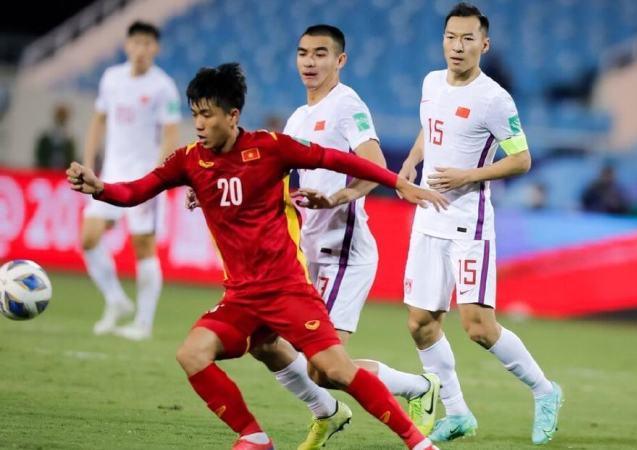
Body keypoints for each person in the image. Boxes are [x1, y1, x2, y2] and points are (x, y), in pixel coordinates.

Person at [67, 63, 447, 450]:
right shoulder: (189, 161)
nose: (198, 124)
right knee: (192, 354)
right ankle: (254, 437)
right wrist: (100, 188)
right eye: (195, 114)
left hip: (287, 291)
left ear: (232, 115)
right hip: (241, 298)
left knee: (333, 369)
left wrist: (398, 182)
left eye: (207, 114)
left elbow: (336, 160)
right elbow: (136, 191)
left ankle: (419, 443)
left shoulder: (270, 148)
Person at [398, 3, 563, 445]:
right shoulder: (431, 82)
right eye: (451, 37)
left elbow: (521, 159)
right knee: (420, 322)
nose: (457, 46)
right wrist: (412, 160)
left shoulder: (494, 99)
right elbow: (430, 126)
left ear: (484, 45)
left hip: (468, 225)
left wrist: (467, 175)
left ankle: (545, 390)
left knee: (478, 327)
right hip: (427, 218)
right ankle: (457, 413)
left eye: (467, 39)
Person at [80, 21, 181, 340]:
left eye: (147, 43)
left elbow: (171, 133)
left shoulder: (163, 87)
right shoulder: (111, 78)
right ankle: (116, 300)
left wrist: (157, 176)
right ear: (127, 45)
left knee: (143, 246)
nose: (141, 49)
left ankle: (143, 323)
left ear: (156, 48)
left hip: (144, 178)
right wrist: (88, 162)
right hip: (110, 174)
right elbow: (98, 120)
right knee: (88, 238)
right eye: (136, 42)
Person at [35, 103, 76, 170]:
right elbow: (40, 157)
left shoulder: (69, 140)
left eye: (63, 116)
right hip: (47, 171)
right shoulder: (46, 138)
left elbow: (71, 159)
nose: (61, 118)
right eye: (60, 116)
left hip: (63, 172)